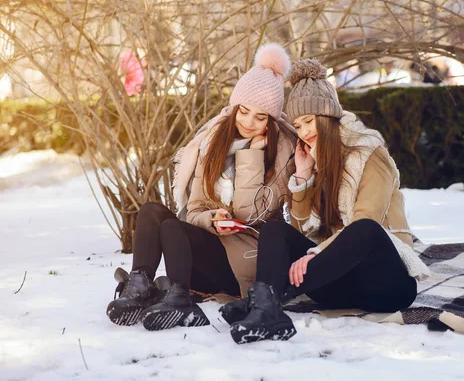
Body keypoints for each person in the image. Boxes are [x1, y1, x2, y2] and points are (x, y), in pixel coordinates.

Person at [219, 58, 430, 344]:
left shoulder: (370, 154)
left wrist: (317, 254)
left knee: (364, 229)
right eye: (297, 125)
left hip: (386, 285)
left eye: (308, 121)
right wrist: (304, 177)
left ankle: (267, 301)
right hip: (336, 283)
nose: (304, 132)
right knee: (274, 229)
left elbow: (367, 220)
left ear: (328, 115)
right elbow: (301, 226)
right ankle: (266, 303)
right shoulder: (315, 159)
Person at [106, 43, 296, 331]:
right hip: (208, 252)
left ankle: (181, 299)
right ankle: (140, 285)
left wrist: (252, 156)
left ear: (271, 121)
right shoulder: (215, 141)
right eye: (243, 112)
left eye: (260, 118)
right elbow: (194, 209)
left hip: (241, 263)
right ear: (234, 108)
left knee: (172, 228)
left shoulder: (281, 152)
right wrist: (211, 219)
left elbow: (250, 214)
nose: (248, 122)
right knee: (152, 212)